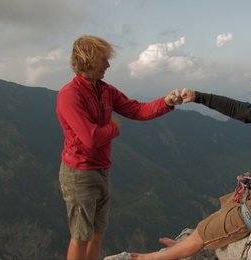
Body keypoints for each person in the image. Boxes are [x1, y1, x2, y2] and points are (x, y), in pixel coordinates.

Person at [132, 63, 251, 260]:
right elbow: (238, 109)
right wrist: (198, 97)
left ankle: (150, 258)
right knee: (209, 226)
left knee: (203, 233)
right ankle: (186, 247)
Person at [56, 35, 182, 260]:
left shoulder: (105, 90)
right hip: (79, 174)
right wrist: (113, 128)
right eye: (103, 60)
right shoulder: (69, 95)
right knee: (80, 236)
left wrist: (167, 102)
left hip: (101, 170)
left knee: (97, 233)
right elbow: (90, 138)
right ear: (87, 60)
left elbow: (137, 110)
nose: (108, 65)